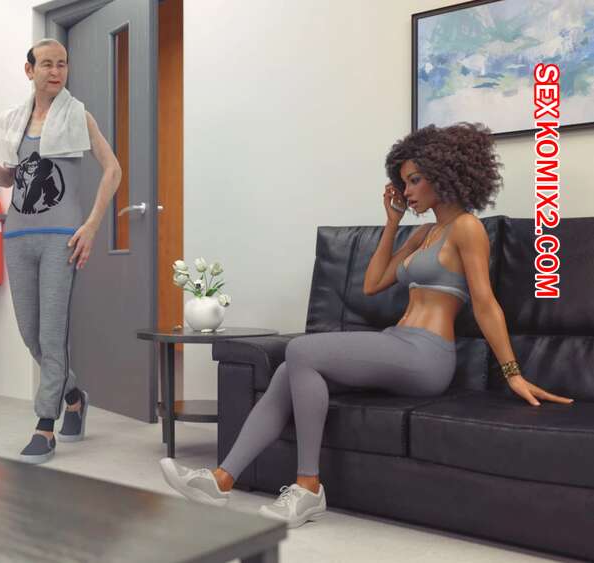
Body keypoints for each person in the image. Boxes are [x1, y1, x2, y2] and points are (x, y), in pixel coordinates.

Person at [160, 122, 574, 527]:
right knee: (289, 370)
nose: (406, 191)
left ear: (444, 176)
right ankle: (221, 479)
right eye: (403, 182)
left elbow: (485, 304)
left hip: (428, 356)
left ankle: (308, 488)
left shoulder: (467, 228)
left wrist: (512, 372)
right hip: (399, 342)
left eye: (414, 181)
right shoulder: (425, 234)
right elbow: (373, 284)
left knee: (300, 349)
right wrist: (392, 223)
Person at [0, 38, 122, 464]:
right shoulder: (15, 120)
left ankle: (44, 425)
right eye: (47, 64)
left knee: (52, 334)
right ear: (29, 70)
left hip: (60, 239)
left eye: (62, 64)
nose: (56, 71)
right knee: (31, 334)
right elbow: (11, 180)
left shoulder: (78, 116)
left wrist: (91, 225)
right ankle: (74, 397)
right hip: (17, 237)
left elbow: (113, 169)